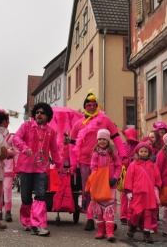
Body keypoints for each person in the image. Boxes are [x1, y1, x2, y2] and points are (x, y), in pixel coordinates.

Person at [69, 91, 126, 231]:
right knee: (87, 191)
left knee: (105, 191)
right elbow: (71, 145)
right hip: (84, 162)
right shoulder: (78, 124)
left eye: (94, 105)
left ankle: (107, 219)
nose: (92, 107)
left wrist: (123, 154)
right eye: (89, 105)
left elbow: (116, 137)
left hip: (104, 163)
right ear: (85, 107)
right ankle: (89, 219)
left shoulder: (105, 120)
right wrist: (72, 163)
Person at [13, 102, 63, 237]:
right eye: (37, 112)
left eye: (42, 112)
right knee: (26, 197)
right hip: (25, 167)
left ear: (47, 116)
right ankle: (27, 221)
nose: (39, 114)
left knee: (40, 196)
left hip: (41, 168)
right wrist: (24, 148)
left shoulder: (51, 132)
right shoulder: (26, 126)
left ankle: (38, 224)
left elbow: (54, 151)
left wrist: (60, 166)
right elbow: (16, 138)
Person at [88, 129, 121, 242]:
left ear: (108, 140)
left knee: (109, 209)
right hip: (99, 186)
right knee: (99, 211)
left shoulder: (113, 154)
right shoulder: (95, 154)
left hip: (110, 186)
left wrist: (115, 178)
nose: (102, 141)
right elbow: (93, 168)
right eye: (100, 139)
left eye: (104, 139)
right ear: (97, 140)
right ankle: (100, 230)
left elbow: (118, 167)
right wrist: (97, 179)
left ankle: (110, 232)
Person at [125, 142, 162, 244]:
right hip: (137, 194)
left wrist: (157, 187)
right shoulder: (133, 165)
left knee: (148, 214)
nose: (143, 153)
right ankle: (133, 226)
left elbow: (157, 178)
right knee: (136, 213)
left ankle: (146, 233)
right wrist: (128, 191)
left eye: (145, 151)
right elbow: (129, 178)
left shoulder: (153, 165)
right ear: (137, 152)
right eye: (141, 151)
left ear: (149, 153)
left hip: (149, 195)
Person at [119, 127, 139, 225]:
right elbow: (119, 158)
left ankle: (132, 214)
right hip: (125, 172)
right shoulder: (123, 146)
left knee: (134, 195)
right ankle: (123, 215)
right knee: (124, 194)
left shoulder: (139, 147)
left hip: (136, 173)